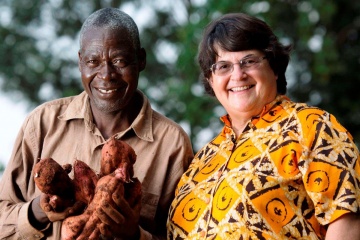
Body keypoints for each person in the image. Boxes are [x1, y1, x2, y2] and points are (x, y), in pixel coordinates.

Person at [0, 7, 193, 240]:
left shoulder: (172, 144)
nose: (106, 74)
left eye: (119, 60)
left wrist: (134, 235)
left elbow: (184, 235)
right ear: (80, 62)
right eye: (93, 61)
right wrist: (39, 211)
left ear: (140, 60)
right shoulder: (42, 124)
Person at [167, 13, 360, 239]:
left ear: (275, 68)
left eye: (249, 61)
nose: (238, 75)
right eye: (223, 66)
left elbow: (347, 219)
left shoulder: (310, 125)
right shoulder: (202, 160)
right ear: (211, 79)